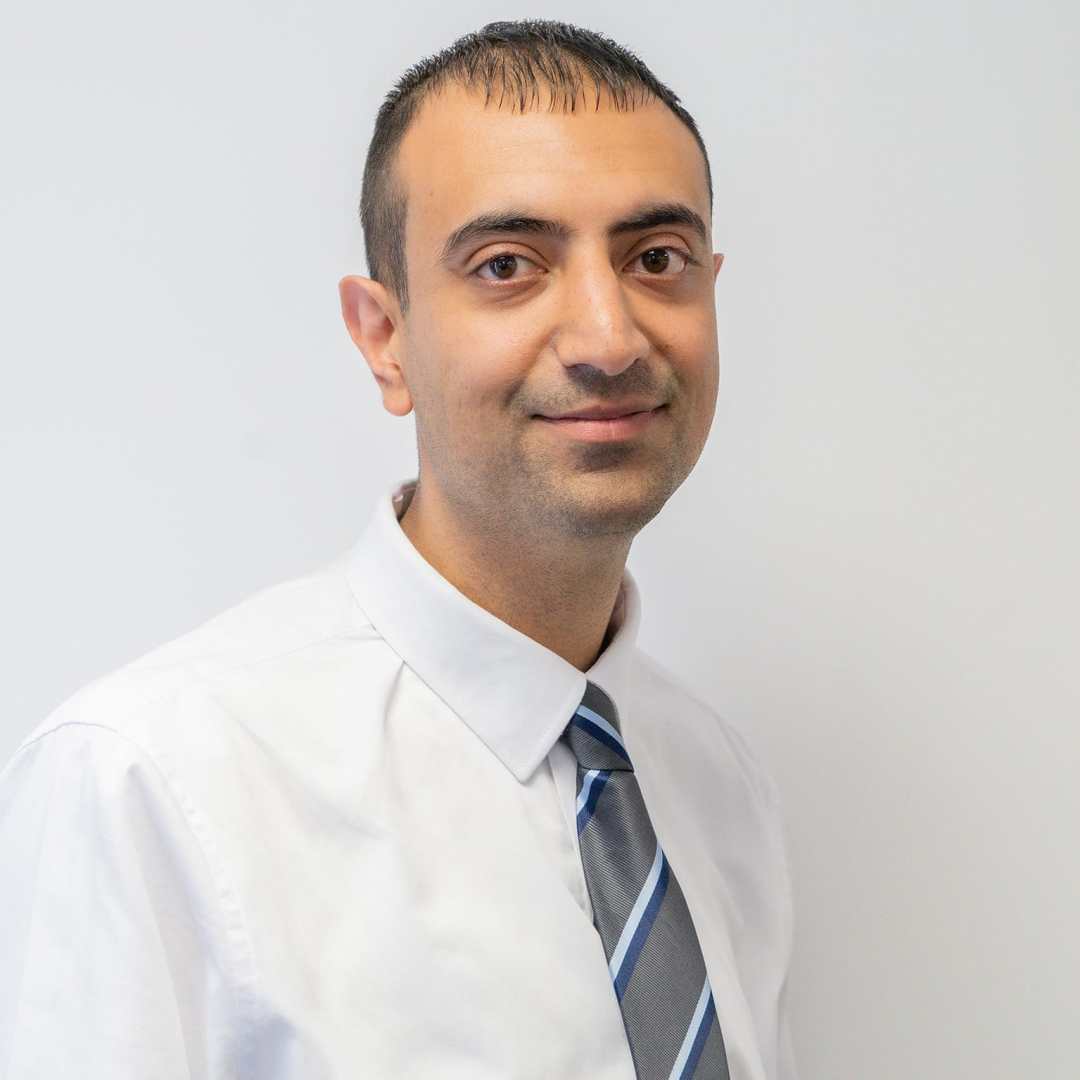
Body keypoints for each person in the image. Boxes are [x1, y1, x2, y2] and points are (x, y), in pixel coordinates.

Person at [0, 19, 797, 1080]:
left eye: (658, 259)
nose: (610, 337)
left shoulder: (717, 786)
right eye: (508, 266)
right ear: (384, 339)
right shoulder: (150, 780)